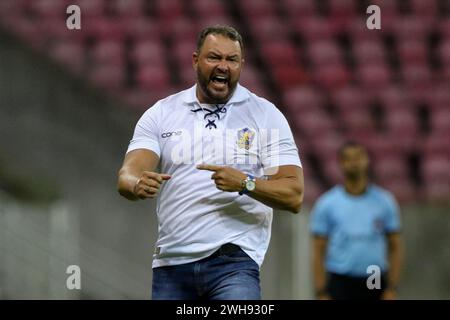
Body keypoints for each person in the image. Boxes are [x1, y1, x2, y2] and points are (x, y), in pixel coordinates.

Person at [117, 25, 304, 300]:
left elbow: (294, 194)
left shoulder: (265, 116)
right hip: (172, 262)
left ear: (242, 65)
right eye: (214, 57)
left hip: (233, 262)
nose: (223, 66)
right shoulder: (162, 113)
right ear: (195, 60)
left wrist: (245, 183)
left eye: (232, 60)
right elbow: (127, 174)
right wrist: (136, 184)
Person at [310, 141, 403, 300]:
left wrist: (392, 288)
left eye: (358, 157)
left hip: (374, 275)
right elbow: (318, 251)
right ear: (341, 163)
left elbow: (395, 246)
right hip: (341, 278)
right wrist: (321, 291)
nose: (354, 163)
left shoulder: (384, 202)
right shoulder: (327, 203)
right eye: (348, 158)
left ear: (367, 160)